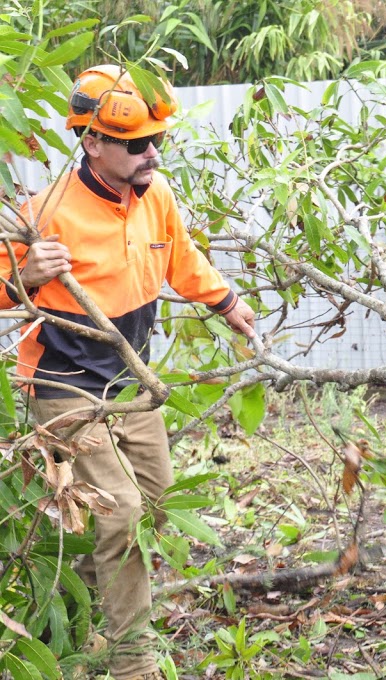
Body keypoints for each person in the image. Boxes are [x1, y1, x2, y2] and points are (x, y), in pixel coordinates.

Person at [2, 65, 256, 680]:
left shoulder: (156, 196)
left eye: (157, 141)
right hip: (65, 383)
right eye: (137, 144)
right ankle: (132, 660)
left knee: (157, 504)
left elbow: (183, 258)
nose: (151, 154)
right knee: (119, 511)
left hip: (131, 382)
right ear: (92, 143)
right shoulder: (45, 213)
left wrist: (226, 302)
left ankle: (88, 607)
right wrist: (22, 277)